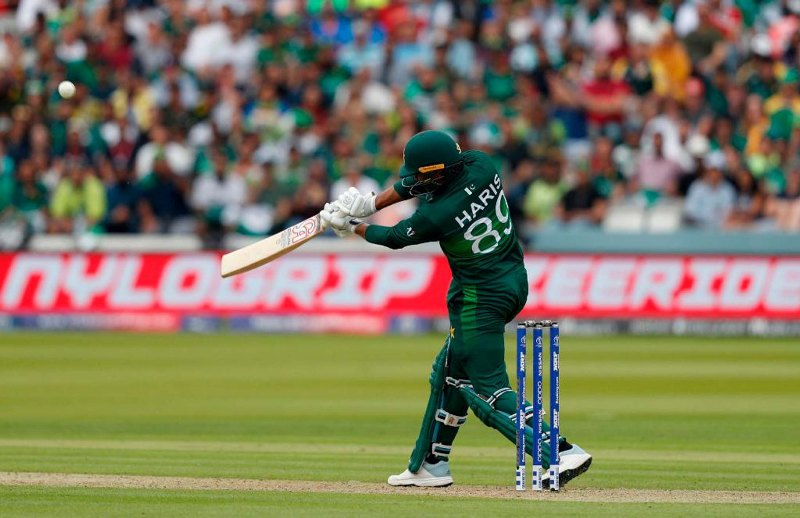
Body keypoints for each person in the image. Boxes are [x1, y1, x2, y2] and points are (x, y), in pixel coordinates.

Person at [319, 130, 592, 488]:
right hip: (511, 277)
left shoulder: (439, 213)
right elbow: (412, 186)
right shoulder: (481, 163)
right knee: (447, 373)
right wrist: (370, 204)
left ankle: (560, 450)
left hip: (480, 298)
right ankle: (431, 465)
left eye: (421, 174)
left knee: (487, 391)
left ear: (438, 172)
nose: (414, 180)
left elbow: (396, 237)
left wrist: (352, 227)